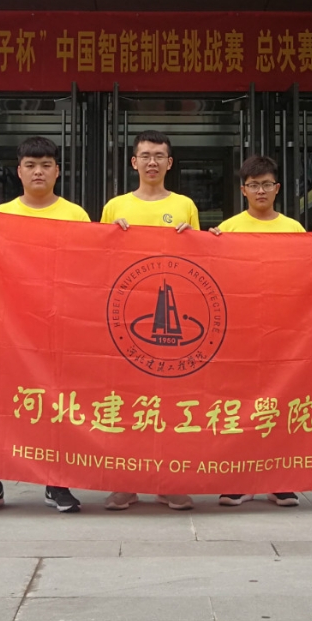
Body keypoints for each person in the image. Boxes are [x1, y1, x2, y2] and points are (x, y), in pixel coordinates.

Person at [211, 154, 312, 508]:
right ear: (243, 190)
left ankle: (279, 481)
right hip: (241, 333)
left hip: (284, 333)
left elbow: (310, 271)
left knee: (279, 405)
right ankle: (239, 480)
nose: (260, 191)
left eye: (266, 184)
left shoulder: (293, 229)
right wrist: (208, 243)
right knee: (240, 407)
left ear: (277, 188)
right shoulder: (228, 229)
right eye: (253, 185)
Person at [0, 136, 89, 515]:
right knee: (0, 401)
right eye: (31, 165)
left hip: (58, 326)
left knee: (57, 402)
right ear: (19, 171)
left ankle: (56, 481)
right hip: (9, 328)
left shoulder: (76, 215)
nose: (38, 171)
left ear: (57, 171)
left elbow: (89, 270)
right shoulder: (1, 215)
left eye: (45, 165)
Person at [100, 130, 198, 512]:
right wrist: (113, 238)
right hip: (125, 318)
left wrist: (195, 238)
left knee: (171, 402)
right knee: (125, 402)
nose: (152, 162)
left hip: (171, 324)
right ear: (134, 162)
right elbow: (96, 260)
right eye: (145, 155)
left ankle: (169, 482)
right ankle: (125, 483)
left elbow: (203, 263)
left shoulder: (185, 206)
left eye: (159, 156)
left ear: (169, 163)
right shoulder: (115, 207)